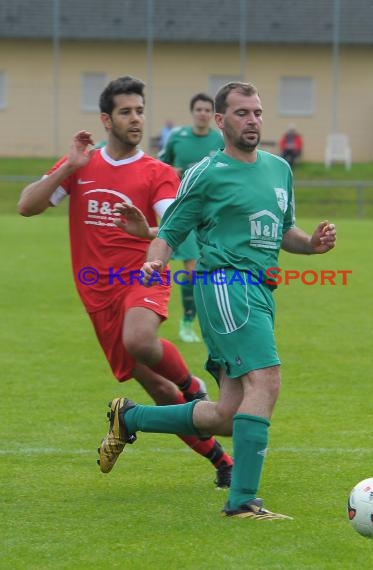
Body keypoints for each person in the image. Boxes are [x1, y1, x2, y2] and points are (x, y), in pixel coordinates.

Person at [98, 81, 336, 520]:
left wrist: (312, 244)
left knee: (228, 414)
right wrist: (155, 261)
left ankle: (130, 419)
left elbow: (284, 233)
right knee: (266, 382)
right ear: (222, 121)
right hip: (226, 285)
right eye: (243, 113)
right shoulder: (206, 171)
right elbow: (170, 231)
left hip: (261, 291)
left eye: (258, 112)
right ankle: (243, 500)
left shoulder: (279, 168)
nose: (253, 121)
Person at [17, 75, 233, 488]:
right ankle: (223, 462)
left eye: (140, 111)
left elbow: (177, 226)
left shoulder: (158, 172)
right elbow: (27, 206)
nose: (136, 119)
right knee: (158, 389)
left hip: (143, 274)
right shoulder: (83, 165)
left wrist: (147, 233)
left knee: (140, 341)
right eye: (126, 112)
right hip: (97, 294)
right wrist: (69, 168)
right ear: (106, 119)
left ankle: (193, 386)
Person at [158, 93, 223, 343]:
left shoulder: (219, 140)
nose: (203, 113)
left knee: (201, 272)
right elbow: (159, 166)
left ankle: (194, 321)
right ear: (192, 112)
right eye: (199, 109)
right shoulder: (178, 137)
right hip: (181, 211)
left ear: (213, 114)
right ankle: (186, 323)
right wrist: (170, 171)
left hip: (208, 214)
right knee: (191, 268)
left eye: (207, 109)